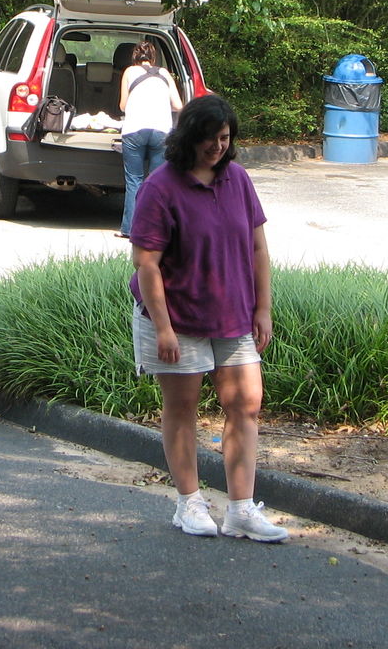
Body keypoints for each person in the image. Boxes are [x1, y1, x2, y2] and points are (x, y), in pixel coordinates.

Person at [128, 94, 289, 541]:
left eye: (225, 138)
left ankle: (240, 509)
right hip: (176, 317)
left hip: (233, 314)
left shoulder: (237, 179)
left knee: (246, 404)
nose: (218, 147)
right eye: (209, 139)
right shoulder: (161, 187)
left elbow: (258, 247)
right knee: (182, 408)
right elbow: (146, 263)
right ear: (189, 138)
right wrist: (163, 328)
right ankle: (189, 503)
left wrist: (263, 308)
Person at [117, 41, 182, 238]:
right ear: (154, 58)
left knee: (134, 180)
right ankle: (154, 230)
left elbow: (122, 106)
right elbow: (178, 105)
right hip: (161, 131)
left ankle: (129, 229)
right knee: (157, 182)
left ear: (134, 57)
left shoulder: (129, 72)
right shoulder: (164, 73)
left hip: (134, 130)